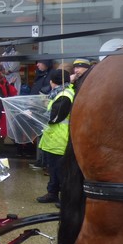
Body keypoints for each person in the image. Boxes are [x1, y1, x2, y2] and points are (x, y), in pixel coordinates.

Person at [36, 69, 75, 204]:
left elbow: (54, 117)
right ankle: (52, 193)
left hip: (59, 139)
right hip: (54, 138)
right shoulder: (60, 94)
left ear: (52, 82)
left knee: (60, 171)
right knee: (53, 169)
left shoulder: (64, 96)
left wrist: (35, 115)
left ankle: (64, 198)